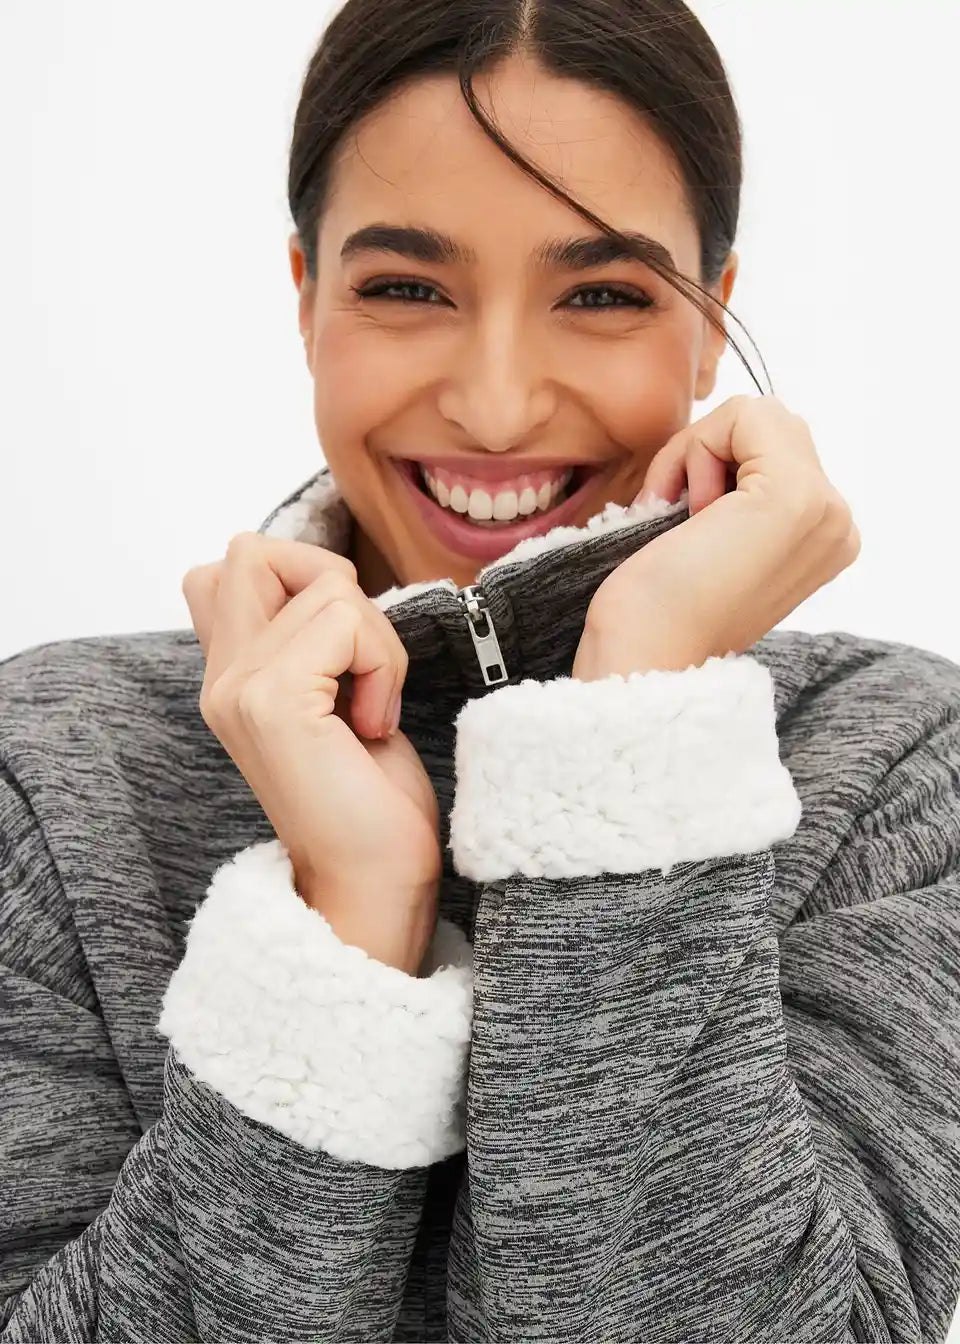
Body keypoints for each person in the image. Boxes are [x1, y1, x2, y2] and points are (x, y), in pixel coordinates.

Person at [2, 1, 958, 1340]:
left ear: (711, 325)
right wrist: (349, 913)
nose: (497, 405)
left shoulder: (902, 772)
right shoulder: (53, 775)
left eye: (603, 295)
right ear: (306, 298)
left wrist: (631, 730)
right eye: (406, 288)